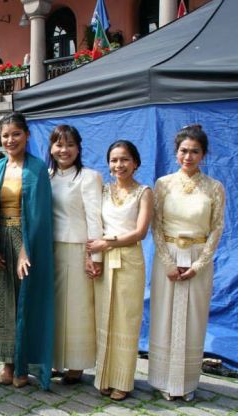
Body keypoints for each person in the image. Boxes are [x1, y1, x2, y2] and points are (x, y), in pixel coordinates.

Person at [148, 125, 225, 402]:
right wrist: (168, 262)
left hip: (197, 257)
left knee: (192, 320)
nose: (188, 156)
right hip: (166, 254)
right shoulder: (163, 184)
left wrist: (199, 264)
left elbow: (217, 228)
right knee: (165, 316)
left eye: (194, 151)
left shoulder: (215, 188)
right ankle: (161, 380)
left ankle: (187, 382)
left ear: (203, 154)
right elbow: (155, 225)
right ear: (176, 152)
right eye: (183, 150)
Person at [0, 113, 55, 390]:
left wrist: (26, 250)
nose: (10, 140)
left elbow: (39, 215)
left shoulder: (37, 169)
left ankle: (24, 364)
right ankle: (7, 363)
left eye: (16, 134)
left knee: (26, 303)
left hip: (27, 242)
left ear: (26, 136)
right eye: (5, 135)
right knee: (2, 305)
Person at [87, 140, 153, 401]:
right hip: (103, 258)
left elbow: (140, 232)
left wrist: (108, 241)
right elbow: (93, 223)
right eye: (114, 160)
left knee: (126, 319)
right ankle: (103, 376)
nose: (119, 165)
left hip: (129, 259)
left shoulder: (144, 192)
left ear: (135, 162)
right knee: (104, 318)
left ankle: (123, 381)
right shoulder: (102, 190)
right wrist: (94, 254)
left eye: (124, 159)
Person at [47, 125, 103, 384]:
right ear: (51, 148)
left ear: (78, 148)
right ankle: (55, 360)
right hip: (49, 249)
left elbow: (94, 218)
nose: (64, 150)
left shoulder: (89, 177)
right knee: (54, 308)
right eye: (59, 144)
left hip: (77, 248)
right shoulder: (45, 175)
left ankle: (77, 364)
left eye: (69, 145)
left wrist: (93, 255)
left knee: (78, 310)